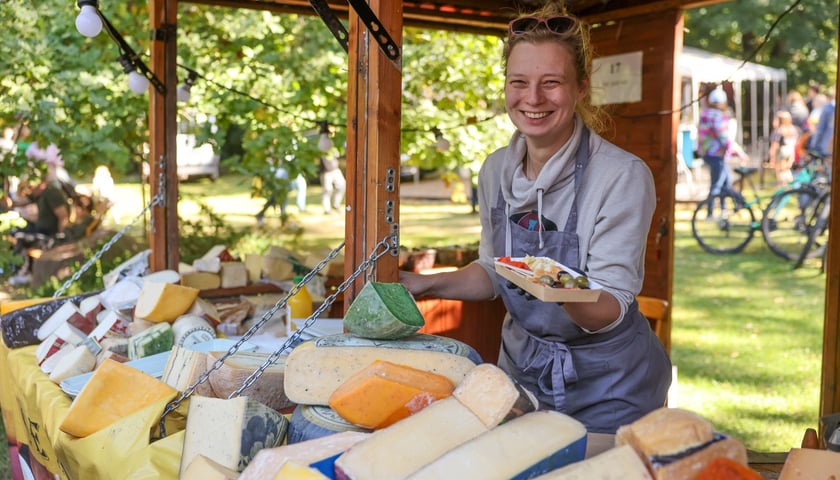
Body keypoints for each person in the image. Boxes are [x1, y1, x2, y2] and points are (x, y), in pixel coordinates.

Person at [399, 5, 670, 434]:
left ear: (581, 88)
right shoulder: (495, 170)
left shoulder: (621, 176)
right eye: (519, 82)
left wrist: (551, 284)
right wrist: (424, 284)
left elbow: (609, 306)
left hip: (610, 386)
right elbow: (495, 269)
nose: (533, 98)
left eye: (552, 83)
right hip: (522, 371)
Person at [697, 87, 741, 214]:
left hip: (708, 153)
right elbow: (722, 136)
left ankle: (723, 210)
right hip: (716, 154)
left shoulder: (704, 114)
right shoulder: (716, 115)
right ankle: (711, 212)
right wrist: (736, 151)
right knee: (717, 184)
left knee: (726, 182)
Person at [255, 159, 307, 226]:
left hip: (282, 180)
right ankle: (282, 218)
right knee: (277, 199)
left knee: (275, 199)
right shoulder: (274, 163)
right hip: (279, 181)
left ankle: (263, 215)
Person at [767, 110, 800, 185]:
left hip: (781, 153)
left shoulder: (778, 131)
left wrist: (772, 158)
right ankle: (791, 187)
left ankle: (783, 188)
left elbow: (774, 146)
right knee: (787, 170)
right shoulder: (793, 129)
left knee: (780, 172)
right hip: (790, 152)